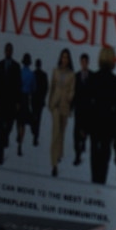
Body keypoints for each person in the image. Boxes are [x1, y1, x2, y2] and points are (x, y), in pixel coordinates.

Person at [82, 49, 116, 185]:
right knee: (105, 154)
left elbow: (86, 104)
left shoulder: (93, 78)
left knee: (94, 153)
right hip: (108, 123)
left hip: (94, 122)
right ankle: (101, 181)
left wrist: (84, 126)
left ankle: (94, 179)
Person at [47, 48, 76, 176]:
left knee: (61, 132)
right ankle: (54, 164)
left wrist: (69, 97)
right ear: (60, 58)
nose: (64, 59)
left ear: (69, 60)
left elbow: (72, 90)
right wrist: (50, 103)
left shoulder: (72, 74)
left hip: (65, 105)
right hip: (55, 104)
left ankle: (59, 153)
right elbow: (51, 88)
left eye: (67, 57)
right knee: (55, 132)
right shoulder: (55, 71)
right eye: (63, 57)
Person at [0, 45, 24, 164]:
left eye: (10, 50)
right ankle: (0, 155)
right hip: (1, 101)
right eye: (7, 50)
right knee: (0, 127)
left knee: (10, 124)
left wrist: (18, 102)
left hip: (12, 102)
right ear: (5, 51)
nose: (8, 52)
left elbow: (19, 85)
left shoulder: (16, 66)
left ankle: (5, 137)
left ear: (12, 52)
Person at [71, 50, 94, 165]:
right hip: (78, 109)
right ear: (80, 62)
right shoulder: (76, 76)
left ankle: (83, 143)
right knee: (76, 133)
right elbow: (73, 93)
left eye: (86, 61)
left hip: (89, 110)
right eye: (82, 61)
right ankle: (77, 155)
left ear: (88, 62)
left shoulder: (92, 76)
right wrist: (71, 107)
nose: (84, 63)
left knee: (86, 131)